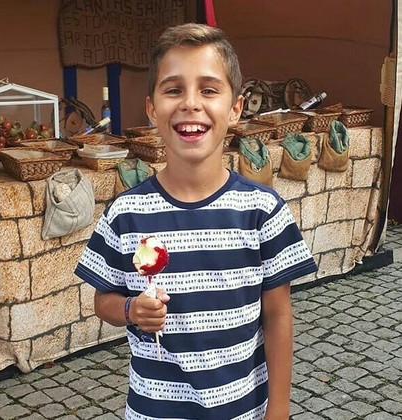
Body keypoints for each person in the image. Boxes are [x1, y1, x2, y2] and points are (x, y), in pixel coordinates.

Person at [75, 23, 317, 420]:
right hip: (156, 410)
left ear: (235, 108)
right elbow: (104, 301)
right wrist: (132, 310)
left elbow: (278, 315)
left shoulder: (263, 210)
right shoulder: (125, 214)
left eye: (208, 89)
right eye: (173, 90)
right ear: (151, 109)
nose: (190, 103)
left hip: (243, 409)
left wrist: (279, 409)